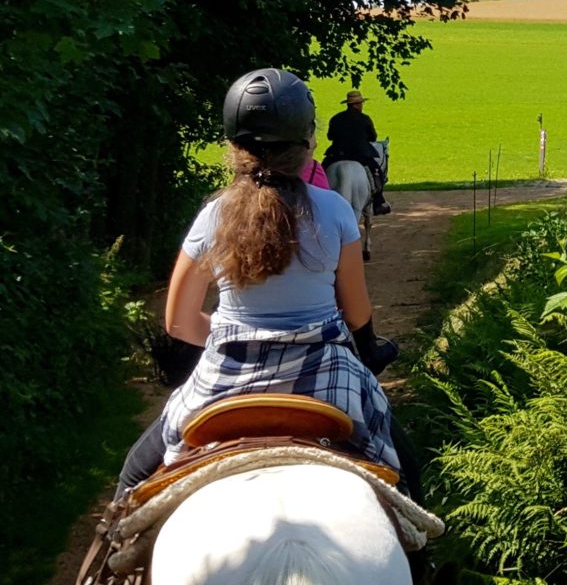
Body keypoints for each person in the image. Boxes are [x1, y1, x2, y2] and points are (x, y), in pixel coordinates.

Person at [113, 69, 407, 500]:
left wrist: (227, 337)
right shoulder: (336, 211)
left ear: (233, 145)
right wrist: (369, 347)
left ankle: (110, 551)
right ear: (307, 142)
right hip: (327, 374)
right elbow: (358, 313)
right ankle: (422, 555)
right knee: (404, 471)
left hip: (224, 377)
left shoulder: (213, 216)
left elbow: (177, 322)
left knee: (133, 480)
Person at [323, 89, 389, 214]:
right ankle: (378, 201)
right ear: (357, 105)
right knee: (377, 173)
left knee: (320, 170)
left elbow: (330, 136)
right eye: (361, 103)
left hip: (337, 154)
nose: (362, 105)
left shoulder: (336, 118)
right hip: (360, 155)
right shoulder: (365, 119)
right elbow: (373, 138)